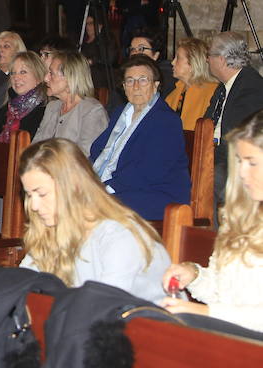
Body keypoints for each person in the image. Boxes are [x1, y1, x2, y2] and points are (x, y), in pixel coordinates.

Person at [19, 138, 171, 299]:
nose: (34, 206)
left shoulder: (119, 236)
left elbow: (101, 309)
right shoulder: (51, 229)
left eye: (42, 194)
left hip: (148, 322)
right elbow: (19, 287)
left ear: (74, 186)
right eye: (29, 195)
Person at [160, 110, 263, 332]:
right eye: (239, 162)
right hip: (226, 339)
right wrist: (194, 274)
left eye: (252, 163)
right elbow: (219, 292)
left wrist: (207, 314)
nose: (242, 174)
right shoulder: (240, 217)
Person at [90, 55, 191, 221]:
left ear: (156, 85)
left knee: (89, 206)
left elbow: (150, 171)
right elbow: (97, 150)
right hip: (120, 188)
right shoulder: (120, 114)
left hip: (154, 195)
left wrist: (105, 188)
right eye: (130, 81)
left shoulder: (166, 121)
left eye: (143, 80)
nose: (136, 86)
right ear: (124, 87)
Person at [204, 31, 263, 206]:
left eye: (209, 55)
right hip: (216, 155)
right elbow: (207, 122)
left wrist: (206, 159)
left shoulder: (252, 88)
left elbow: (237, 138)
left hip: (236, 161)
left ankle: (211, 232)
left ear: (221, 59)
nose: (207, 60)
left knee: (211, 178)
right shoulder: (224, 87)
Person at [33, 51, 108, 155]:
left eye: (51, 73)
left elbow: (86, 158)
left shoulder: (92, 111)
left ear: (69, 78)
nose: (46, 78)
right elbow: (35, 147)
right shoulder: (52, 107)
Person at [0, 51, 48, 142]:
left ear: (38, 77)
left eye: (23, 72)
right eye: (13, 73)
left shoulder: (45, 110)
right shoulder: (5, 110)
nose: (16, 77)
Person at [165, 37, 219, 131]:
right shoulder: (174, 94)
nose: (172, 62)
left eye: (178, 58)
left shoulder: (213, 92)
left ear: (193, 63)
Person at [128, 28, 176, 98]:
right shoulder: (126, 74)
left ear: (155, 55)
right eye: (132, 49)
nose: (134, 53)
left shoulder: (166, 77)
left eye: (141, 49)